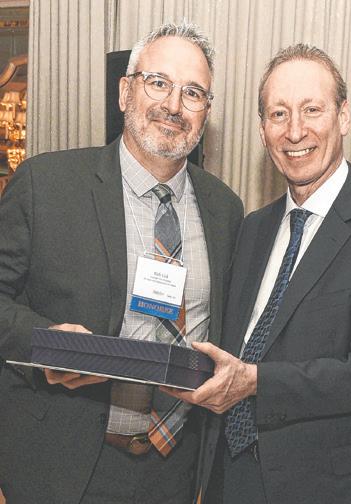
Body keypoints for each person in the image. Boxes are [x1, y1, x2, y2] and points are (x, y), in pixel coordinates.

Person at [164, 44, 351, 504]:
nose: (295, 131)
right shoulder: (252, 228)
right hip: (232, 476)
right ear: (263, 130)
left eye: (312, 110)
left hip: (331, 486)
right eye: (279, 114)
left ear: (343, 117)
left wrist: (255, 381)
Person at [0, 22, 243, 504]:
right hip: (61, 465)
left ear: (206, 112)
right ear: (125, 92)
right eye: (158, 82)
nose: (174, 105)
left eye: (193, 92)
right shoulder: (46, 185)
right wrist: (46, 345)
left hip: (176, 472)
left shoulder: (225, 209)